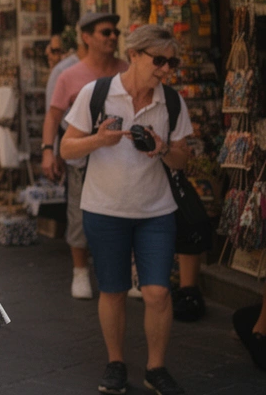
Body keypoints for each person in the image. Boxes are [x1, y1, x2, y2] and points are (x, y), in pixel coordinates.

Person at [61, 24, 192, 395]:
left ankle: (156, 367)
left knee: (158, 293)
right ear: (134, 55)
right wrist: (97, 140)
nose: (166, 69)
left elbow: (184, 160)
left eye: (172, 62)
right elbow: (67, 149)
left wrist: (166, 149)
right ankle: (115, 362)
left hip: (156, 210)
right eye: (160, 60)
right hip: (104, 209)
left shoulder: (171, 101)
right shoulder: (97, 93)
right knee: (114, 290)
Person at [45, 13, 125, 301]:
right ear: (87, 37)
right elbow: (53, 116)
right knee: (79, 214)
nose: (113, 37)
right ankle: (80, 271)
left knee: (123, 210)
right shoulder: (69, 75)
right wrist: (48, 152)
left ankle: (129, 270)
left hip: (120, 158)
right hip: (82, 158)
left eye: (116, 32)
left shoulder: (126, 70)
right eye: (106, 32)